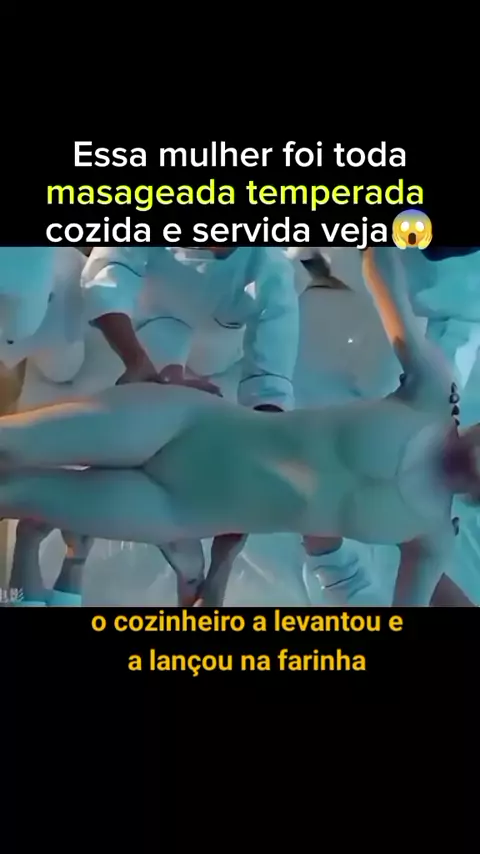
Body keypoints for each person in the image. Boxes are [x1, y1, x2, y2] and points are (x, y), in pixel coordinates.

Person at [1, 247, 478, 607]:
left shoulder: (434, 539)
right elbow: (381, 268)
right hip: (184, 422)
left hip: (177, 512)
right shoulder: (436, 393)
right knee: (10, 444)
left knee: (11, 495)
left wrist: (222, 573)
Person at [80, 245, 300, 604]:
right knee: (148, 404)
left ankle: (219, 565)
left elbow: (271, 373)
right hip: (152, 323)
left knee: (251, 466)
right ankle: (181, 546)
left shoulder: (268, 265)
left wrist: (257, 457)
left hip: (218, 343)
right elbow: (108, 272)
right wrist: (138, 363)